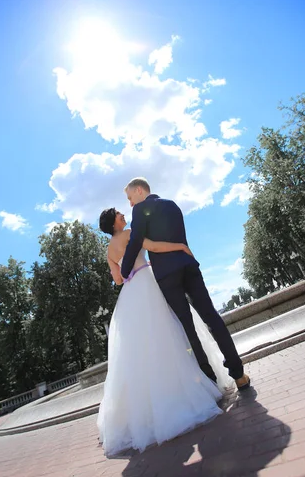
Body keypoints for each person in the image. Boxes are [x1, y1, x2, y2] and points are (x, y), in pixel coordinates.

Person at [97, 207, 231, 457]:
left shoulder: (108, 251)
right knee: (174, 328)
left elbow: (117, 280)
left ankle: (151, 408)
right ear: (114, 222)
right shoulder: (128, 234)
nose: (123, 215)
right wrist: (179, 247)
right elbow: (154, 247)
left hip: (130, 294)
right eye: (119, 214)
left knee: (144, 346)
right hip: (148, 281)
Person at [121, 177, 250, 390]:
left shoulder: (140, 209)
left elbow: (135, 241)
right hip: (189, 266)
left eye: (130, 197)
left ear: (139, 191)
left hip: (167, 275)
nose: (130, 203)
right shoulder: (173, 205)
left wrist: (125, 272)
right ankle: (239, 374)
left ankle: (211, 382)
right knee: (212, 317)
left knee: (187, 328)